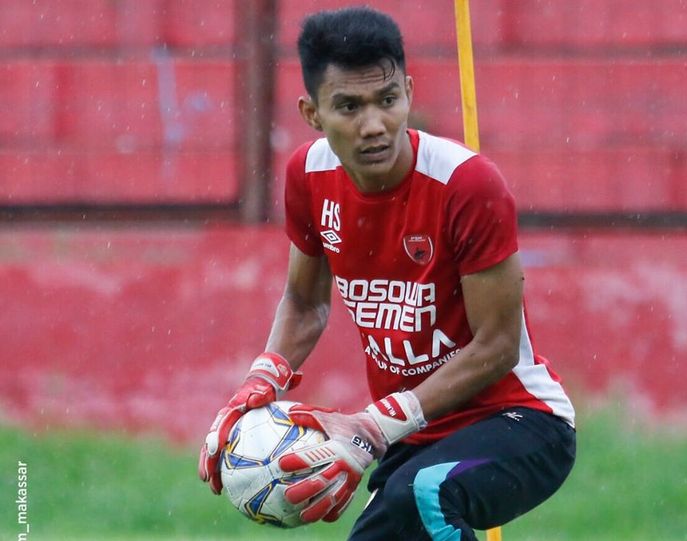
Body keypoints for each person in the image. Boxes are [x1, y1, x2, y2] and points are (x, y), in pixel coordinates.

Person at [199, 6, 576, 540]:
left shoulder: (467, 184)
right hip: (415, 436)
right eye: (348, 106)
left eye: (387, 100)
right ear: (312, 112)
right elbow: (306, 303)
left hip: (519, 422)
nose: (373, 124)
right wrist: (260, 381)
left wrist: (371, 426)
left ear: (409, 93)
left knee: (422, 499)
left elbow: (496, 345)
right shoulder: (307, 176)